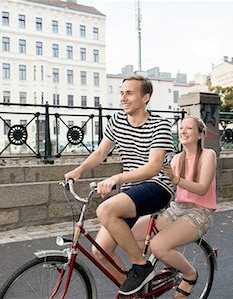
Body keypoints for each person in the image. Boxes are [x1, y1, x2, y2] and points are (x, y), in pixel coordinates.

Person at [64, 75, 175, 295]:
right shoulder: (117, 121)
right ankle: (138, 293)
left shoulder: (160, 124)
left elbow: (153, 167)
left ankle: (141, 266)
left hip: (157, 186)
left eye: (130, 93)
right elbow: (100, 152)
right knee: (100, 252)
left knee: (105, 209)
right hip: (131, 191)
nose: (123, 98)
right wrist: (79, 170)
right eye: (122, 93)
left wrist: (116, 178)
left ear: (146, 97)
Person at [132, 115, 217, 298]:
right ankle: (170, 266)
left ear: (200, 134)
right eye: (181, 128)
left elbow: (202, 189)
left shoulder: (208, 155)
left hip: (200, 212)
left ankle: (189, 274)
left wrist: (176, 179)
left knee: (157, 245)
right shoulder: (176, 159)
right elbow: (164, 186)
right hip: (176, 208)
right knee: (133, 233)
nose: (183, 132)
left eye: (189, 128)